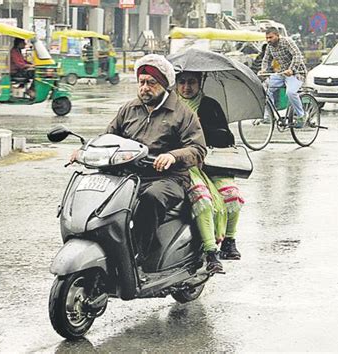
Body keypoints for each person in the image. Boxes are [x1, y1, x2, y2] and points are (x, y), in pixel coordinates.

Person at [70, 54, 207, 267]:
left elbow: (197, 149)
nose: (145, 88)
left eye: (151, 83)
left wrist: (172, 156)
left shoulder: (182, 113)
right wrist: (83, 151)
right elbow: (108, 137)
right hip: (128, 176)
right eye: (141, 82)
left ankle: (141, 254)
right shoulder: (128, 109)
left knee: (150, 199)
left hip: (168, 179)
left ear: (163, 84)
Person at [175, 71, 245, 271]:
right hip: (186, 166)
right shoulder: (171, 107)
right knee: (203, 200)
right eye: (182, 82)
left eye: (191, 82)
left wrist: (202, 128)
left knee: (233, 196)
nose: (186, 87)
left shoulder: (210, 106)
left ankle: (229, 241)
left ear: (200, 83)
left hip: (214, 166)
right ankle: (210, 251)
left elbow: (227, 139)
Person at [259, 27, 308, 128]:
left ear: (277, 36)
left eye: (271, 37)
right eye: (267, 38)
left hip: (297, 73)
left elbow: (297, 55)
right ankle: (269, 115)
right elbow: (266, 60)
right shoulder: (269, 47)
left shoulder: (287, 42)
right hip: (282, 74)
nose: (268, 40)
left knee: (290, 92)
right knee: (266, 88)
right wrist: (263, 70)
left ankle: (301, 115)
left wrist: (292, 69)